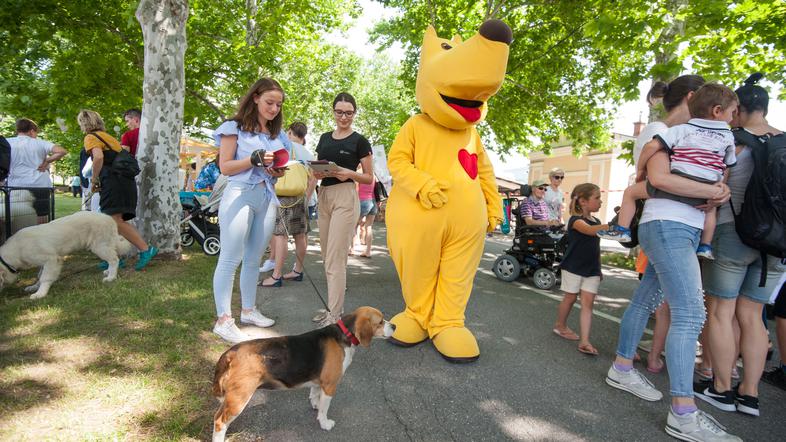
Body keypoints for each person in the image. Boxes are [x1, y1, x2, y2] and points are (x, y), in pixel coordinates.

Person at [603, 73, 742, 440]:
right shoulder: (662, 131)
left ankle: (621, 366)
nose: (731, 119)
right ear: (698, 99)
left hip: (679, 224)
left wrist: (718, 191)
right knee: (691, 313)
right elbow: (660, 180)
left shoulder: (693, 137)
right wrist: (714, 189)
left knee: (649, 296)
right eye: (729, 112)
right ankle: (683, 412)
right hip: (670, 224)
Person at [697, 73, 786, 417]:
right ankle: (750, 394)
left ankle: (721, 387)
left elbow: (715, 185)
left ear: (740, 109)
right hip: (776, 245)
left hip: (734, 234)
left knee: (721, 312)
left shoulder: (735, 142)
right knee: (753, 317)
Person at [598, 83, 739, 262]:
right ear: (717, 110)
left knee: (631, 192)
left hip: (679, 185)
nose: (733, 118)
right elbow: (727, 165)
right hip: (692, 201)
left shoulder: (680, 131)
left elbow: (652, 150)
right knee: (710, 212)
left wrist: (641, 169)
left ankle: (622, 229)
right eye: (733, 112)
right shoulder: (728, 137)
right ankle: (706, 245)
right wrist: (718, 188)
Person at [210, 77, 290, 344]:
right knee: (231, 257)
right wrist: (252, 159)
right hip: (239, 194)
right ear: (255, 97)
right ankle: (224, 320)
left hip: (265, 196)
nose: (274, 109)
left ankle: (248, 310)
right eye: (269, 102)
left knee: (254, 258)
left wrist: (276, 171)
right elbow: (226, 167)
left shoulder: (275, 135)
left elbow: (273, 173)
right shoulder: (234, 128)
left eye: (278, 105)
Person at [310, 92, 373, 326]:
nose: (343, 117)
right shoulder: (325, 138)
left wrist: (349, 173)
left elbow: (368, 177)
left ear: (354, 114)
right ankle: (333, 307)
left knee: (336, 259)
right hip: (323, 194)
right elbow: (316, 171)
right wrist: (315, 174)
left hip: (346, 195)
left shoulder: (360, 141)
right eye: (339, 112)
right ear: (333, 112)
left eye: (348, 112)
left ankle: (335, 316)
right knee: (327, 257)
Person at [77, 110, 158, 271]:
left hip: (114, 182)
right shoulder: (108, 137)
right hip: (123, 181)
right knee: (112, 221)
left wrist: (94, 179)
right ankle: (114, 257)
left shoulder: (90, 137)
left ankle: (145, 249)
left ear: (84, 123)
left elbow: (98, 157)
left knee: (113, 220)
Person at [259, 122, 315, 287]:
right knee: (300, 235)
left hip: (283, 196)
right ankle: (297, 271)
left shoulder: (282, 146)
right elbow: (313, 177)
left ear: (289, 132)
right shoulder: (308, 152)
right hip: (300, 196)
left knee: (280, 235)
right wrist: (307, 195)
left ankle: (276, 276)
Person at [552, 183, 607, 355]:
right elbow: (590, 231)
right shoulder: (575, 221)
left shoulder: (596, 221)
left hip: (591, 270)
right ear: (583, 201)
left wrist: (599, 269)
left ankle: (584, 341)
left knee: (588, 304)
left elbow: (595, 248)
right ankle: (560, 326)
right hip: (573, 267)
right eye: (597, 198)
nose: (601, 201)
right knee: (570, 298)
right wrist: (612, 225)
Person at [7, 118, 67, 220]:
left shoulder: (7, 143)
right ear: (31, 131)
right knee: (41, 216)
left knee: (16, 217)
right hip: (39, 184)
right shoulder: (41, 143)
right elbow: (62, 151)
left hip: (15, 186)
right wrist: (47, 161)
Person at [351, 169, 377, 258]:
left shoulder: (358, 172)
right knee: (368, 226)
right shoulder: (373, 173)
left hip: (362, 200)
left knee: (354, 225)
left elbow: (356, 189)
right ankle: (368, 251)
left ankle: (352, 249)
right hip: (372, 201)